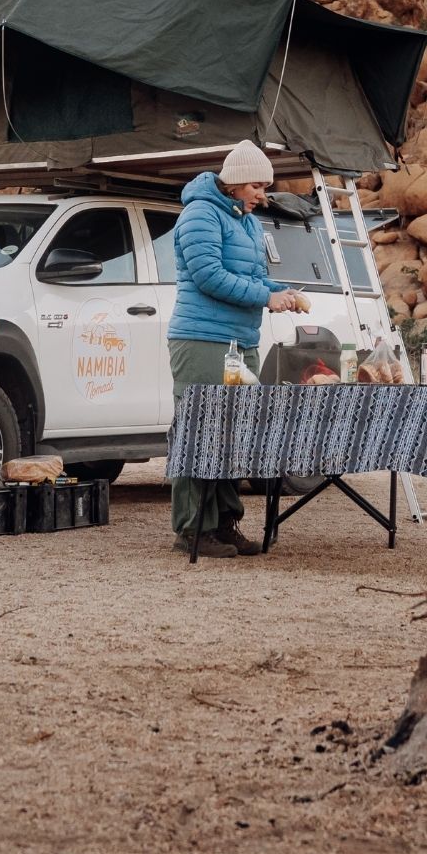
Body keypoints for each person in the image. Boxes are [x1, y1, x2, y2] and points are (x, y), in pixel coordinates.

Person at [165, 140, 308, 557]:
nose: (263, 196)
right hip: (202, 339)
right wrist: (266, 300)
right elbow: (208, 275)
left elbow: (253, 276)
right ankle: (193, 529)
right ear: (238, 182)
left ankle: (224, 523)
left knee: (233, 433)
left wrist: (282, 292)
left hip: (240, 341)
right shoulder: (199, 214)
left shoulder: (245, 221)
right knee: (201, 429)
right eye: (258, 187)